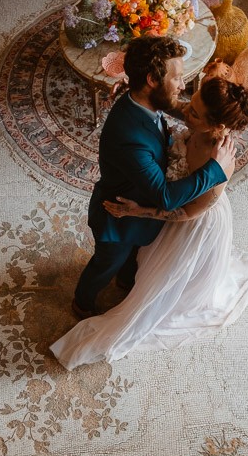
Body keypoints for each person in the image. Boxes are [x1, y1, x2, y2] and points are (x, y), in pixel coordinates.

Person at [52, 75, 248, 369]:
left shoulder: (219, 167)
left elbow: (184, 213)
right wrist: (137, 91)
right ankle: (119, 281)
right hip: (168, 205)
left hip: (195, 225)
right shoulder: (197, 120)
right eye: (191, 104)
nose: (185, 111)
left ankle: (128, 284)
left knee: (163, 277)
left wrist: (137, 210)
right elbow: (175, 108)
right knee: (134, 255)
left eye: (194, 112)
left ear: (218, 126)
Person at [71, 36, 236, 320]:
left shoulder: (145, 102)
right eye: (178, 79)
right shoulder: (130, 138)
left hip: (140, 213)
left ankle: (126, 281)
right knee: (105, 265)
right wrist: (215, 170)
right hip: (118, 219)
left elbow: (177, 108)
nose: (183, 86)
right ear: (151, 80)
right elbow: (165, 197)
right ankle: (82, 303)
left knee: (132, 259)